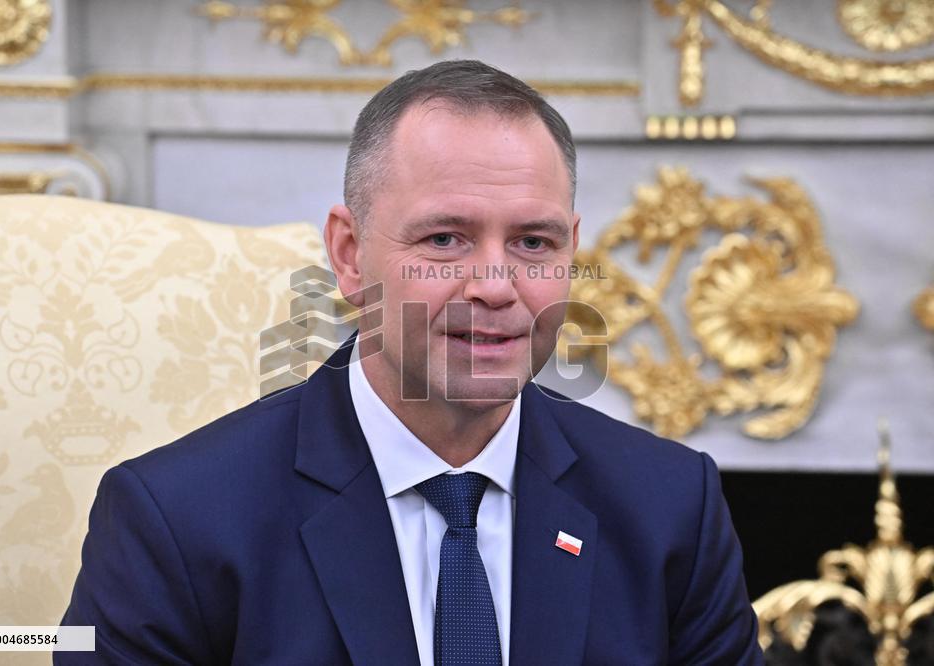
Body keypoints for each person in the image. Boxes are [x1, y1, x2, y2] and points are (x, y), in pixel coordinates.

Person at [57, 59, 764, 665]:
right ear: (348, 254)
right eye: (446, 240)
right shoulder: (177, 521)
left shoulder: (673, 508)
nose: (495, 285)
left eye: (534, 244)